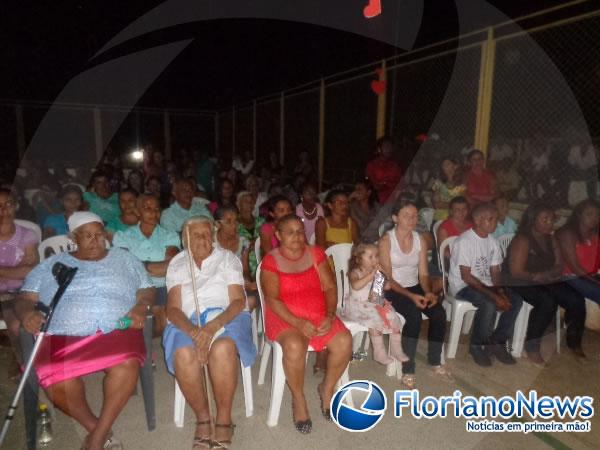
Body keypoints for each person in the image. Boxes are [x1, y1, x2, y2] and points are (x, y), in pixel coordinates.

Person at [18, 212, 155, 450]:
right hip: (64, 333)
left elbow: (147, 289)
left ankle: (97, 438)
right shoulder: (52, 264)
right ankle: (99, 429)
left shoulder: (124, 258)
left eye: (99, 234)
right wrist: (27, 313)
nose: (95, 240)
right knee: (54, 376)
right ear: (73, 237)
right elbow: (25, 297)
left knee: (125, 365)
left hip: (117, 328)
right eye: (88, 235)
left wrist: (141, 306)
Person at [163, 217, 256, 449]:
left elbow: (237, 302)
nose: (205, 239)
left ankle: (224, 418)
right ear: (185, 240)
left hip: (226, 315)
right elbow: (173, 309)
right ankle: (204, 417)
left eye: (208, 234)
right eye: (197, 235)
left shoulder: (227, 258)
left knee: (222, 348)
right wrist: (196, 333)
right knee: (184, 354)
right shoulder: (177, 263)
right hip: (187, 320)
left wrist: (212, 328)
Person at [260, 215, 351, 434]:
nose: (297, 237)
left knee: (344, 341)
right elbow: (272, 299)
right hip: (285, 316)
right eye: (290, 232)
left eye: (300, 231)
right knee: (293, 346)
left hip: (319, 314)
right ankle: (298, 400)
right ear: (279, 236)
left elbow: (330, 287)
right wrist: (299, 323)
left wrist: (330, 315)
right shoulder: (270, 261)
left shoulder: (315, 253)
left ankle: (326, 389)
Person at [378, 198, 451, 388]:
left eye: (415, 216)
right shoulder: (386, 241)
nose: (412, 219)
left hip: (414, 286)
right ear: (395, 218)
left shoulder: (419, 240)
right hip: (391, 290)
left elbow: (423, 273)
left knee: (438, 312)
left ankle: (435, 360)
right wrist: (411, 296)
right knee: (413, 316)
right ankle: (407, 368)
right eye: (406, 215)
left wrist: (427, 292)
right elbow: (389, 279)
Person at [506, 204, 586, 363]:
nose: (550, 223)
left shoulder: (551, 238)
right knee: (547, 302)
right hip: (520, 281)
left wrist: (549, 275)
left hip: (544, 279)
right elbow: (516, 272)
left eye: (551, 219)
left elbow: (559, 265)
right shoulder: (522, 239)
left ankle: (574, 342)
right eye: (545, 219)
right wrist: (538, 276)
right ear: (532, 220)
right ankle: (531, 347)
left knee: (576, 300)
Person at [448, 202, 523, 367]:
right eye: (491, 219)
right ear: (477, 221)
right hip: (461, 285)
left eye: (495, 219)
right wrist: (493, 295)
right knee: (489, 304)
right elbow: (466, 277)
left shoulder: (492, 241)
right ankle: (476, 346)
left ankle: (497, 341)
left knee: (515, 300)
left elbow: (495, 272)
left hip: (484, 284)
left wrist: (500, 292)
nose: (495, 223)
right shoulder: (465, 241)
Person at [113, 194, 180, 336]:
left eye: (156, 208)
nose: (153, 212)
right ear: (137, 212)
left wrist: (137, 265)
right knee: (135, 317)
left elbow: (170, 267)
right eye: (147, 208)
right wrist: (154, 268)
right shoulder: (123, 236)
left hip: (162, 285)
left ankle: (147, 344)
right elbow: (123, 266)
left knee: (162, 321)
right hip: (134, 286)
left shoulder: (170, 235)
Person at [341, 243, 408, 365]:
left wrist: (384, 275)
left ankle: (396, 350)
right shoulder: (355, 272)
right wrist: (371, 275)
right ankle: (379, 352)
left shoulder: (377, 273)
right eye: (370, 257)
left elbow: (386, 287)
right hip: (358, 306)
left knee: (393, 317)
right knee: (375, 321)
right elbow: (356, 286)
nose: (375, 260)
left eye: (376, 256)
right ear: (358, 259)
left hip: (374, 304)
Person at [0, 189, 40, 377]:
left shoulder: (27, 235)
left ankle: (24, 367)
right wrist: (16, 270)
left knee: (17, 325)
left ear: (15, 206)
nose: (4, 210)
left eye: (8, 204)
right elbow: (23, 269)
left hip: (20, 292)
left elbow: (31, 270)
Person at [557, 199, 600, 304]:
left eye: (597, 215)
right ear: (579, 215)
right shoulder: (567, 234)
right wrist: (596, 282)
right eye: (589, 214)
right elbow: (574, 267)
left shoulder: (595, 233)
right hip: (568, 277)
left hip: (589, 276)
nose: (594, 218)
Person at [236, 191, 264, 283]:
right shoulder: (234, 223)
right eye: (245, 201)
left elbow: (266, 241)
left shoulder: (261, 221)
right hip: (242, 263)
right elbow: (237, 245)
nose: (249, 203)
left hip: (261, 260)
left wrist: (251, 243)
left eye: (251, 201)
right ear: (238, 204)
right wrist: (256, 242)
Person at [366, 136, 402, 204]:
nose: (389, 149)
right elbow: (373, 184)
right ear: (379, 149)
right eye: (386, 147)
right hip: (377, 201)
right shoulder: (372, 165)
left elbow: (400, 182)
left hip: (393, 200)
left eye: (390, 147)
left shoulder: (395, 165)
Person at [430, 157, 466, 221]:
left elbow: (461, 204)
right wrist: (454, 205)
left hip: (458, 216)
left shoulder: (461, 184)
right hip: (441, 217)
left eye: (448, 164)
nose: (446, 166)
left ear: (455, 166)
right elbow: (437, 205)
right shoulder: (438, 183)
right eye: (443, 165)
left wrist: (446, 204)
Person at [349, 179, 381, 243]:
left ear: (368, 192)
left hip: (375, 240)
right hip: (358, 241)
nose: (356, 192)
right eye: (355, 189)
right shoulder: (352, 206)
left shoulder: (377, 207)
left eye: (360, 189)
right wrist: (349, 198)